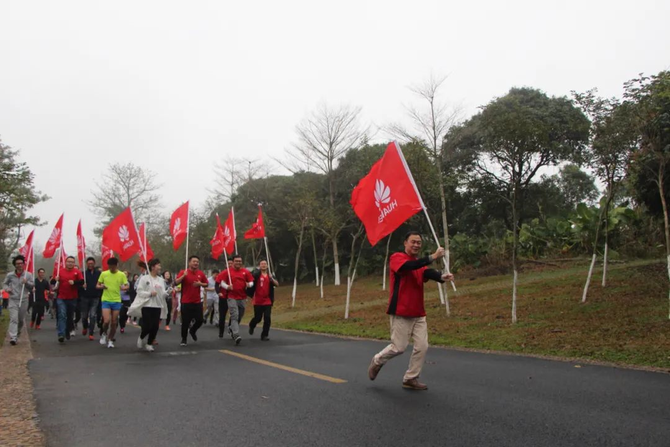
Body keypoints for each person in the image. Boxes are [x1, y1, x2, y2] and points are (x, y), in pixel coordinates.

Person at [367, 231, 454, 391]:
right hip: (401, 311)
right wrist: (433, 256)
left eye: (419, 242)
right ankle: (378, 360)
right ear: (405, 243)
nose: (416, 245)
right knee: (398, 347)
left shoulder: (418, 263)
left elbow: (426, 272)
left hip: (418, 313)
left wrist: (442, 276)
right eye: (413, 242)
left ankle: (411, 378)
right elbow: (409, 267)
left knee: (422, 346)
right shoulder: (397, 258)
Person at [129, 258, 167, 352]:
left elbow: (162, 294)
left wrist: (168, 292)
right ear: (153, 267)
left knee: (155, 326)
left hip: (157, 306)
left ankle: (149, 343)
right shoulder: (144, 278)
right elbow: (139, 291)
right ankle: (141, 337)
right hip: (147, 305)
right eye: (158, 265)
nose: (160, 267)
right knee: (147, 326)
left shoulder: (161, 280)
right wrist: (149, 294)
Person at [216, 255, 254, 345]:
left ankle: (231, 327)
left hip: (242, 297)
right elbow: (221, 282)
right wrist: (227, 287)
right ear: (232, 262)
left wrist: (249, 284)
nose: (238, 263)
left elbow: (251, 281)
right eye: (236, 261)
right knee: (234, 315)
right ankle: (236, 334)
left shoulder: (245, 272)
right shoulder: (227, 272)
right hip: (231, 297)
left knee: (240, 315)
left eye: (240, 261)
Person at [175, 256, 208, 347]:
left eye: (197, 262)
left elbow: (206, 284)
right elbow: (176, 282)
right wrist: (183, 276)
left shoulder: (200, 273)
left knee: (200, 320)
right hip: (186, 302)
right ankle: (184, 339)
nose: (196, 263)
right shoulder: (183, 272)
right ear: (189, 263)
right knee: (185, 322)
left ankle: (193, 330)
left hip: (197, 301)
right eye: (194, 261)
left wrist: (200, 284)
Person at [97, 258, 129, 349]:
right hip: (106, 300)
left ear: (116, 265)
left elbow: (126, 285)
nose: (111, 268)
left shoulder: (121, 274)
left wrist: (124, 288)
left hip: (116, 300)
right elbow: (97, 285)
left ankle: (110, 339)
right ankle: (104, 333)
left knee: (114, 322)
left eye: (113, 267)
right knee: (106, 321)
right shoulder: (104, 274)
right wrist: (101, 286)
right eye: (110, 267)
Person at [2, 255, 34, 345]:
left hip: (24, 300)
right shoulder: (10, 275)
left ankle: (18, 333)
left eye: (21, 263)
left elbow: (32, 286)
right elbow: (4, 284)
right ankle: (13, 337)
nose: (19, 265)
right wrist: (7, 289)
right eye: (17, 264)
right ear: (15, 265)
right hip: (13, 299)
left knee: (20, 320)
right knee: (14, 319)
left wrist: (26, 282)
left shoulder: (28, 275)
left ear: (24, 264)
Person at [53, 256, 84, 343]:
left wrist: (74, 282)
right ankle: (61, 334)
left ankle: (67, 330)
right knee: (62, 314)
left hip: (72, 298)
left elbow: (82, 282)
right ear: (65, 263)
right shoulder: (60, 271)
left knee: (70, 316)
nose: (70, 263)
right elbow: (53, 282)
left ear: (74, 263)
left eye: (72, 262)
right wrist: (56, 279)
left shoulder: (77, 272)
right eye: (69, 262)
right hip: (61, 297)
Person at [248, 260, 278, 341]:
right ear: (259, 266)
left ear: (267, 266)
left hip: (267, 300)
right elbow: (250, 281)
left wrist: (272, 279)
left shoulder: (270, 275)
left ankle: (264, 335)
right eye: (262, 264)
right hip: (258, 300)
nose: (263, 265)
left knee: (267, 318)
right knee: (258, 318)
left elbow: (277, 284)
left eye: (265, 264)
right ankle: (252, 325)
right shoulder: (256, 275)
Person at [80, 257, 102, 341]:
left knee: (93, 316)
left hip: (95, 297)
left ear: (94, 263)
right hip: (85, 297)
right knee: (84, 316)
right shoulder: (83, 274)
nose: (90, 265)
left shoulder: (99, 274)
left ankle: (91, 333)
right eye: (89, 263)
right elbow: (78, 285)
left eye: (91, 263)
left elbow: (102, 283)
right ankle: (85, 327)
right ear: (86, 264)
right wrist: (82, 286)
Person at [217, 259, 233, 339]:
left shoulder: (237, 273)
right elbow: (217, 284)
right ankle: (221, 331)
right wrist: (218, 292)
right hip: (223, 297)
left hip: (233, 297)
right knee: (222, 316)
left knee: (233, 314)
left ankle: (231, 327)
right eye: (228, 263)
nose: (230, 265)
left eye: (231, 263)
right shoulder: (222, 273)